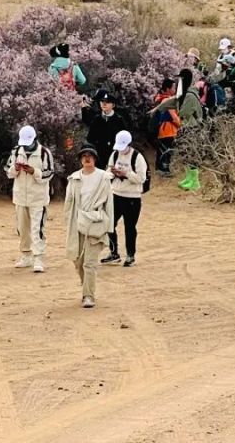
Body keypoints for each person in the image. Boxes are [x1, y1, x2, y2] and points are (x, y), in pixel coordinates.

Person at [63, 146, 114, 308]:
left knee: (90, 262)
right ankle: (86, 286)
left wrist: (108, 226)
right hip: (77, 222)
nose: (87, 159)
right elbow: (69, 202)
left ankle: (88, 295)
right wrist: (68, 221)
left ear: (95, 159)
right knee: (78, 260)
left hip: (96, 221)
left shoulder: (103, 178)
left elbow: (109, 204)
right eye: (84, 156)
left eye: (90, 156)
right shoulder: (74, 178)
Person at [6, 125, 54, 273]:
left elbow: (50, 173)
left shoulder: (44, 153)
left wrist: (35, 172)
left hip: (38, 197)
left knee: (37, 229)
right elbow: (8, 172)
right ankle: (26, 255)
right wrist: (16, 168)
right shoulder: (16, 151)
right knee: (22, 228)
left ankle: (38, 257)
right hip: (20, 196)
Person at [104, 130, 148, 267]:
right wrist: (112, 173)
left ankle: (130, 255)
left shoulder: (137, 157)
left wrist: (126, 173)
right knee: (109, 224)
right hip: (115, 195)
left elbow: (141, 178)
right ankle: (113, 252)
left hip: (132, 198)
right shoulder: (115, 154)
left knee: (130, 227)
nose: (121, 151)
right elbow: (108, 172)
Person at [82, 90, 131, 172]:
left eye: (107, 102)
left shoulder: (119, 120)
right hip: (98, 153)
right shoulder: (97, 118)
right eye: (102, 102)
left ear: (113, 105)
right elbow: (90, 137)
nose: (104, 104)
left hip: (114, 153)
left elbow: (124, 138)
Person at [152, 78, 179, 176]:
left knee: (162, 150)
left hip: (161, 129)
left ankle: (160, 169)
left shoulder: (159, 98)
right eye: (173, 87)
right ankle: (164, 170)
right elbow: (174, 118)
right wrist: (181, 125)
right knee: (166, 151)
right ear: (168, 89)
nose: (175, 90)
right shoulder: (167, 100)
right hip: (167, 129)